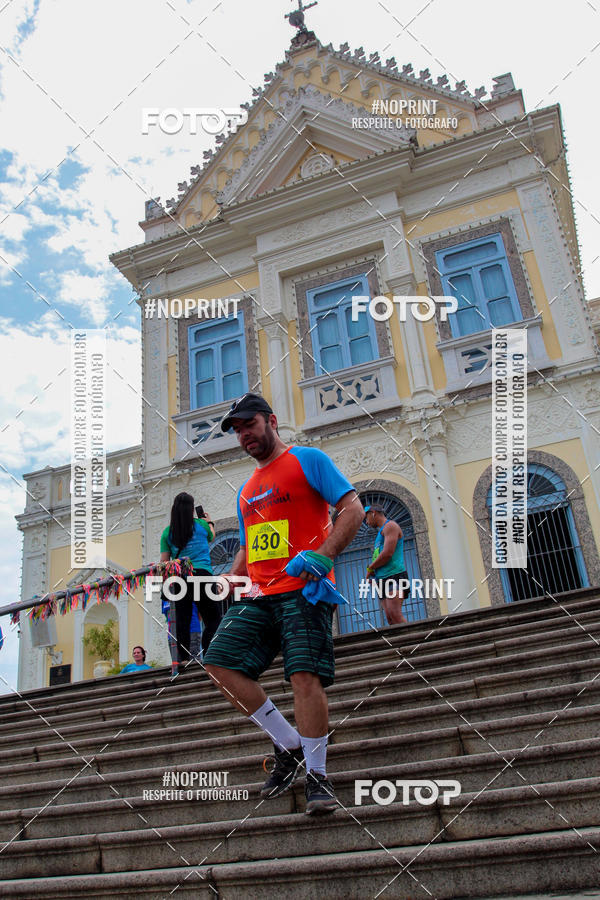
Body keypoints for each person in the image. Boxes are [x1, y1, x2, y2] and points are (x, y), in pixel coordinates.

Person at [204, 393, 364, 815]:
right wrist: (231, 577)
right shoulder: (246, 491)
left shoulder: (307, 460)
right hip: (260, 594)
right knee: (218, 662)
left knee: (303, 678)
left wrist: (325, 555)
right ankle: (289, 743)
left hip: (304, 588)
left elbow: (353, 508)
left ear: (271, 420)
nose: (244, 435)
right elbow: (249, 545)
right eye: (237, 431)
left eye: (249, 425)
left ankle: (317, 775)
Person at [160, 493, 221, 677]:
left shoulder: (167, 533)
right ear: (191, 508)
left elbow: (164, 562)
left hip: (181, 577)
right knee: (213, 618)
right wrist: (209, 521)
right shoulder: (201, 526)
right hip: (203, 574)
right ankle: (209, 651)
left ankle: (184, 659)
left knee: (183, 619)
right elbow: (211, 536)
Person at [364, 504, 409, 625]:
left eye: (366, 518)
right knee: (390, 618)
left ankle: (416, 642)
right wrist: (373, 573)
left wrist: (370, 568)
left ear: (373, 512)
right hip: (381, 579)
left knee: (395, 614)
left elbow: (387, 553)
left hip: (394, 576)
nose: (366, 522)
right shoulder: (381, 533)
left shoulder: (391, 526)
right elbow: (378, 556)